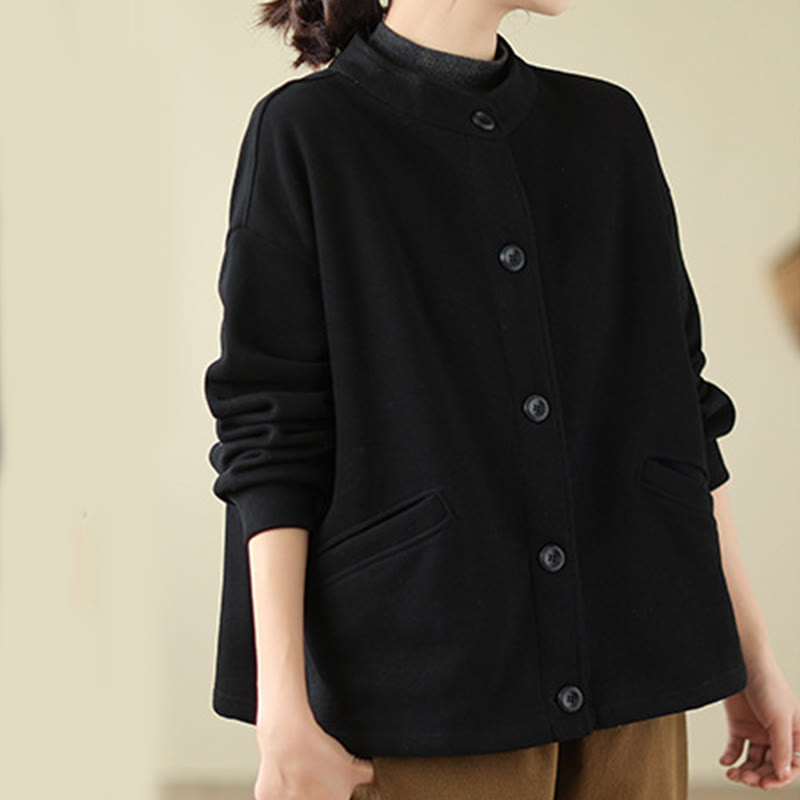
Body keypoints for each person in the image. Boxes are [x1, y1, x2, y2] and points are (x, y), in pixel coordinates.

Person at [202, 1, 800, 798]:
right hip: (427, 683)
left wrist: (752, 657)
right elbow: (272, 427)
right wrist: (282, 707)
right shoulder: (309, 134)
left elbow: (680, 406)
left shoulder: (607, 127)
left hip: (634, 675)